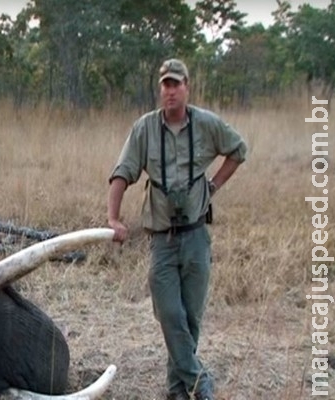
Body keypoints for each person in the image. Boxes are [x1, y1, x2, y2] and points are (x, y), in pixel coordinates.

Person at [107, 58, 247, 400]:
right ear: (160, 89)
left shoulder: (205, 124)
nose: (170, 91)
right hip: (162, 240)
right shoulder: (144, 128)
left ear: (187, 87)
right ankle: (200, 383)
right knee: (170, 314)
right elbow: (122, 172)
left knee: (191, 320)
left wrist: (212, 186)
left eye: (176, 84)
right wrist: (113, 217)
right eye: (165, 85)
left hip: (197, 236)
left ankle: (177, 392)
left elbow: (238, 150)